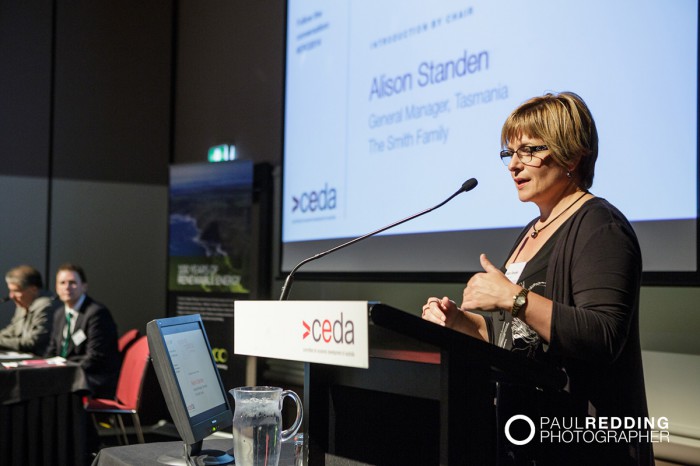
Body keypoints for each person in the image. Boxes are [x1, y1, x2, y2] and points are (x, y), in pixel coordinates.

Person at [422, 92, 652, 465]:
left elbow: (603, 335)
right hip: (524, 440)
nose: (513, 165)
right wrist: (461, 323)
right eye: (509, 153)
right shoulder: (533, 230)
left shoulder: (599, 226)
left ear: (572, 155)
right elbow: (515, 338)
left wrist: (514, 298)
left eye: (528, 150)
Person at [45, 263, 120, 399]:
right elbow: (52, 350)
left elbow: (95, 358)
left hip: (92, 379)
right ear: (56, 288)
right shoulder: (60, 314)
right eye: (62, 283)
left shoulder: (96, 313)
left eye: (72, 282)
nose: (67, 287)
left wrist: (63, 373)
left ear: (84, 286)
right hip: (69, 375)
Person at [0, 265, 56, 354]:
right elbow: (12, 330)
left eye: (16, 291)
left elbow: (33, 342)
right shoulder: (23, 305)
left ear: (33, 289)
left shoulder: (46, 305)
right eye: (10, 291)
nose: (11, 296)